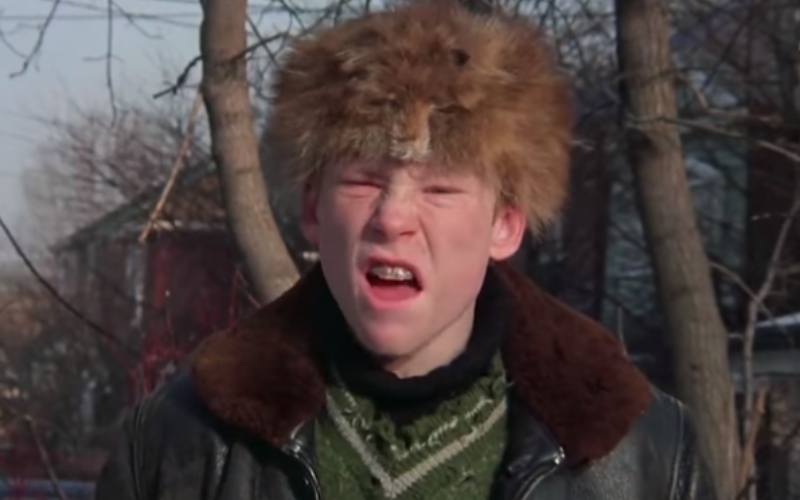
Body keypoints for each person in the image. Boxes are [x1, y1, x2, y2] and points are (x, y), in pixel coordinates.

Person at [96, 1, 715, 499]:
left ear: (505, 225)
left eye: (440, 188)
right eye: (364, 181)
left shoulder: (644, 455)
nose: (392, 218)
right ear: (313, 210)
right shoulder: (177, 444)